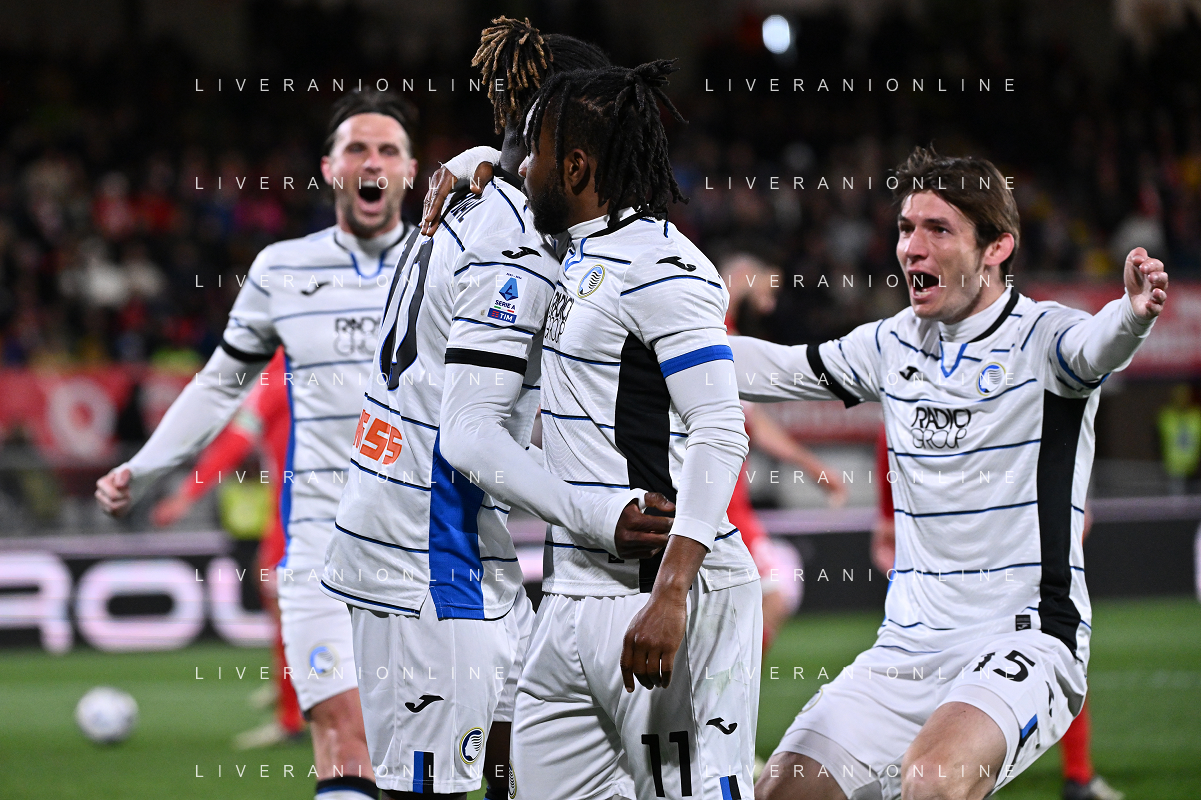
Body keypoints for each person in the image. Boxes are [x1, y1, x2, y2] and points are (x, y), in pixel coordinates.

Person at [735, 146, 1167, 800]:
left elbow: (1096, 343)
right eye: (906, 228)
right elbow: (777, 368)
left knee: (934, 779)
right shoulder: (889, 343)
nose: (912, 247)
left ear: (996, 248)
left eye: (938, 229)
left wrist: (1131, 316)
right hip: (905, 652)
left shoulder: (1044, 338)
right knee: (782, 791)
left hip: (1026, 638)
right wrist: (661, 340)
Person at [319, 20, 665, 800]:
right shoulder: (515, 252)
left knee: (532, 766)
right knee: (429, 786)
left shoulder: (471, 191)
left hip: (457, 541)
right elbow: (469, 436)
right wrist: (597, 512)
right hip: (426, 554)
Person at [444, 60, 762, 800]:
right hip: (570, 595)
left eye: (535, 153)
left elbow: (720, 429)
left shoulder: (663, 265)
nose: (522, 169)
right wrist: (467, 165)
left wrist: (673, 592)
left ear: (577, 167)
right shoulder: (577, 253)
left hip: (660, 593)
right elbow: (501, 176)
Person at [95, 90, 420, 800]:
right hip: (318, 549)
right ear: (330, 169)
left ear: (411, 170)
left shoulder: (449, 264)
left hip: (429, 550)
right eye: (357, 149)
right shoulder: (281, 270)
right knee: (344, 735)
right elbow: (219, 386)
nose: (372, 162)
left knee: (440, 755)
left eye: (388, 150)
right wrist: (144, 468)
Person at [871, 430, 1124, 800]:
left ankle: (1075, 775)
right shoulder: (899, 425)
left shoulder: (1008, 416)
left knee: (1048, 658)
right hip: (958, 596)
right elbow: (886, 534)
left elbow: (886, 532)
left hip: (999, 588)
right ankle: (1073, 776)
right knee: (1044, 659)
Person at [151, 349, 306, 749]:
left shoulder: (280, 371)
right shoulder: (335, 359)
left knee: (285, 603)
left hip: (297, 514)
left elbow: (237, 439)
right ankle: (297, 683)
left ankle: (293, 711)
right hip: (334, 509)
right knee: (293, 597)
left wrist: (187, 494)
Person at [720, 253, 846, 651]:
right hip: (721, 508)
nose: (770, 305)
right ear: (744, 278)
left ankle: (715, 683)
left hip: (728, 506)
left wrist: (813, 467)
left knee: (752, 603)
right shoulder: (712, 336)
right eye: (767, 290)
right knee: (776, 593)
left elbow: (755, 424)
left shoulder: (727, 337)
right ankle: (723, 687)